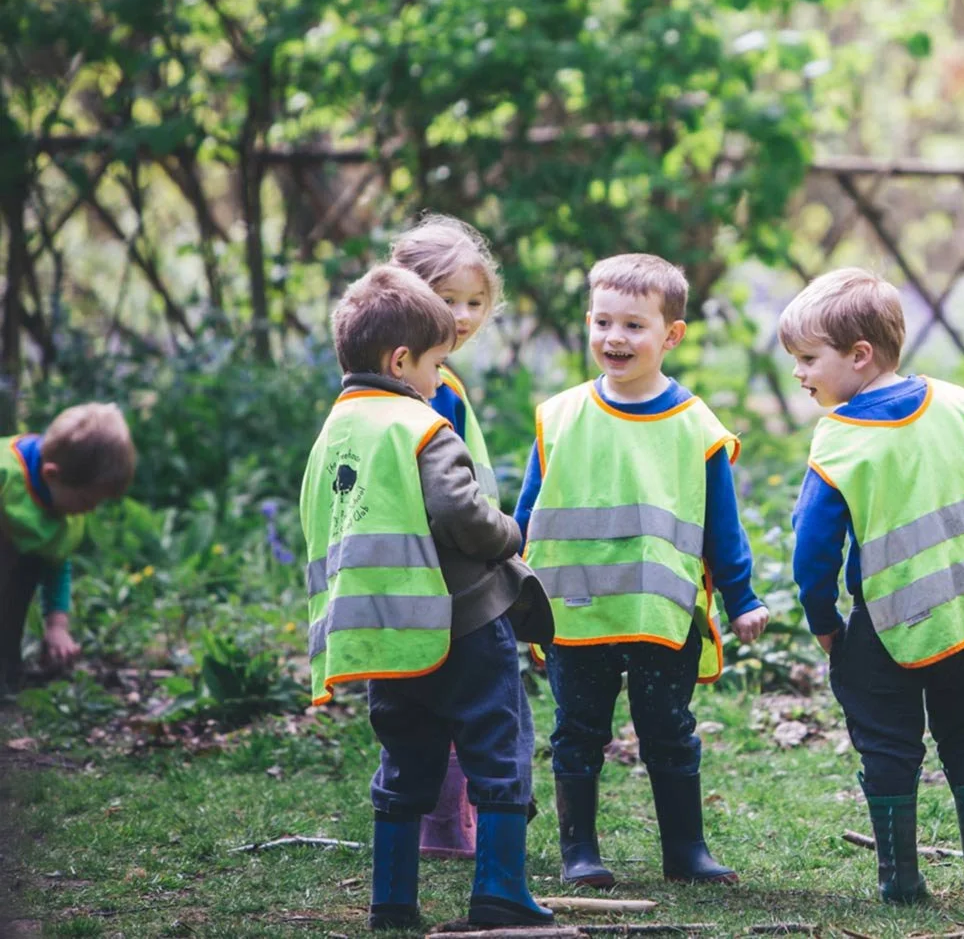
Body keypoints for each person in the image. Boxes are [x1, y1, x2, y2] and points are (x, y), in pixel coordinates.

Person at [300, 264, 554, 932]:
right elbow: (461, 512)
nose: (441, 380)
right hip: (463, 619)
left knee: (405, 757)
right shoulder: (418, 424)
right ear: (400, 360)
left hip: (385, 633)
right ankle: (500, 891)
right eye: (437, 364)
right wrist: (510, 533)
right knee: (499, 745)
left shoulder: (333, 435)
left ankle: (391, 900)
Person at [782, 268, 964, 904]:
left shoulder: (841, 438)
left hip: (885, 620)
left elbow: (813, 545)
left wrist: (823, 619)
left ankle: (900, 879)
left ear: (859, 355)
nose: (799, 374)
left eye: (809, 359)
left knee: (888, 745)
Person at [516, 253, 770, 888]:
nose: (615, 338)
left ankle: (686, 852)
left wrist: (741, 598)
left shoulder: (694, 425)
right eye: (603, 322)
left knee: (670, 731)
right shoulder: (560, 416)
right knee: (577, 732)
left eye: (634, 325)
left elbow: (721, 524)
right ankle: (579, 853)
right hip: (575, 612)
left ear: (671, 334)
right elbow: (526, 516)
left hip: (662, 612)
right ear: (588, 323)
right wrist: (507, 585)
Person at [391, 214, 506, 860]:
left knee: (427, 695)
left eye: (473, 302)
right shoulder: (426, 388)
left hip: (438, 561)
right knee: (461, 699)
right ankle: (443, 826)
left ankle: (437, 822)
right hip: (449, 564)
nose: (462, 316)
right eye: (447, 299)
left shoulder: (429, 377)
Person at [0, 403, 136, 694]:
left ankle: (7, 664)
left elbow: (56, 564)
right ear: (52, 475)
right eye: (86, 500)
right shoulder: (6, 475)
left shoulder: (65, 513)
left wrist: (56, 627)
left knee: (27, 566)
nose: (89, 510)